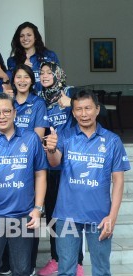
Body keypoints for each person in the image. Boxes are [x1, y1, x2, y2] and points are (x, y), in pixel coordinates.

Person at [45, 90, 130, 276]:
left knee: (101, 270)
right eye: (79, 109)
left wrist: (112, 217)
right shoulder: (65, 136)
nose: (84, 114)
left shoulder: (112, 141)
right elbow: (54, 162)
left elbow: (118, 180)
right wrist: (51, 150)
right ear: (73, 112)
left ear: (97, 110)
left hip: (99, 216)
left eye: (88, 108)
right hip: (67, 215)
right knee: (66, 269)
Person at [0, 93, 47, 276]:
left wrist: (38, 208)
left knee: (22, 270)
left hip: (23, 215)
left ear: (14, 113)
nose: (1, 116)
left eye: (6, 111)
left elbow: (40, 174)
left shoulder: (30, 139)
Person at [36, 61, 84, 276]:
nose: (45, 75)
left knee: (73, 215)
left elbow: (89, 112)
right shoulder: (40, 100)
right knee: (54, 215)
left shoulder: (70, 93)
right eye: (42, 72)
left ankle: (78, 263)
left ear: (58, 75)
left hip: (71, 164)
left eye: (49, 72)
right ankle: (56, 259)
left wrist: (72, 102)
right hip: (50, 164)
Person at [7, 22, 59, 96]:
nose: (25, 38)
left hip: (49, 100)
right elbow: (12, 84)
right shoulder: (12, 61)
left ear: (35, 37)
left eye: (29, 35)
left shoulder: (50, 55)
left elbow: (59, 79)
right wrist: (22, 68)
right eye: (22, 36)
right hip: (25, 103)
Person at [12, 64, 49, 139]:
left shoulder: (39, 103)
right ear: (13, 81)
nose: (22, 80)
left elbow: (38, 137)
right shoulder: (8, 102)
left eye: (26, 77)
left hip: (30, 148)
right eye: (18, 77)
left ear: (32, 81)